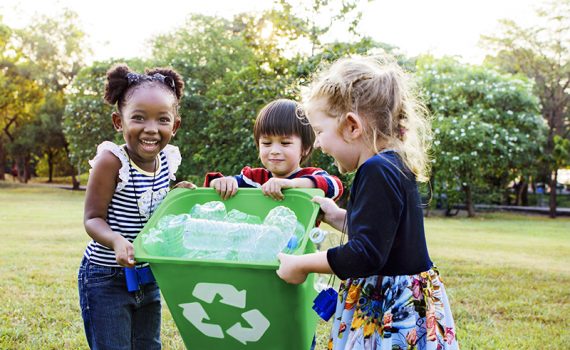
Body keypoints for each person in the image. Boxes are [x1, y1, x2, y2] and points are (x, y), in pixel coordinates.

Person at [276, 56, 459, 349]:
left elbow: (366, 254)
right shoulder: (394, 163)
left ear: (351, 126)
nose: (319, 144)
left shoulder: (374, 170)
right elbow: (383, 235)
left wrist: (302, 264)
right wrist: (338, 216)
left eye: (320, 132)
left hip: (390, 310)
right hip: (408, 301)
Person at [78, 64, 194, 349]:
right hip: (106, 277)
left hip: (147, 274)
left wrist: (176, 197)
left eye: (162, 120)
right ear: (120, 121)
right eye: (139, 118)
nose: (151, 129)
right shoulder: (111, 161)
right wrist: (116, 240)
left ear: (174, 125)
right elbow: (92, 218)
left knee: (148, 345)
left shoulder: (168, 160)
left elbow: (151, 208)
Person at [204, 99, 343, 202]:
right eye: (266, 143)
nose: (274, 150)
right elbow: (215, 186)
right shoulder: (253, 179)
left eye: (285, 143)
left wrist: (292, 184)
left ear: (305, 148)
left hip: (301, 242)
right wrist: (221, 183)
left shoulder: (311, 176)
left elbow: (335, 187)